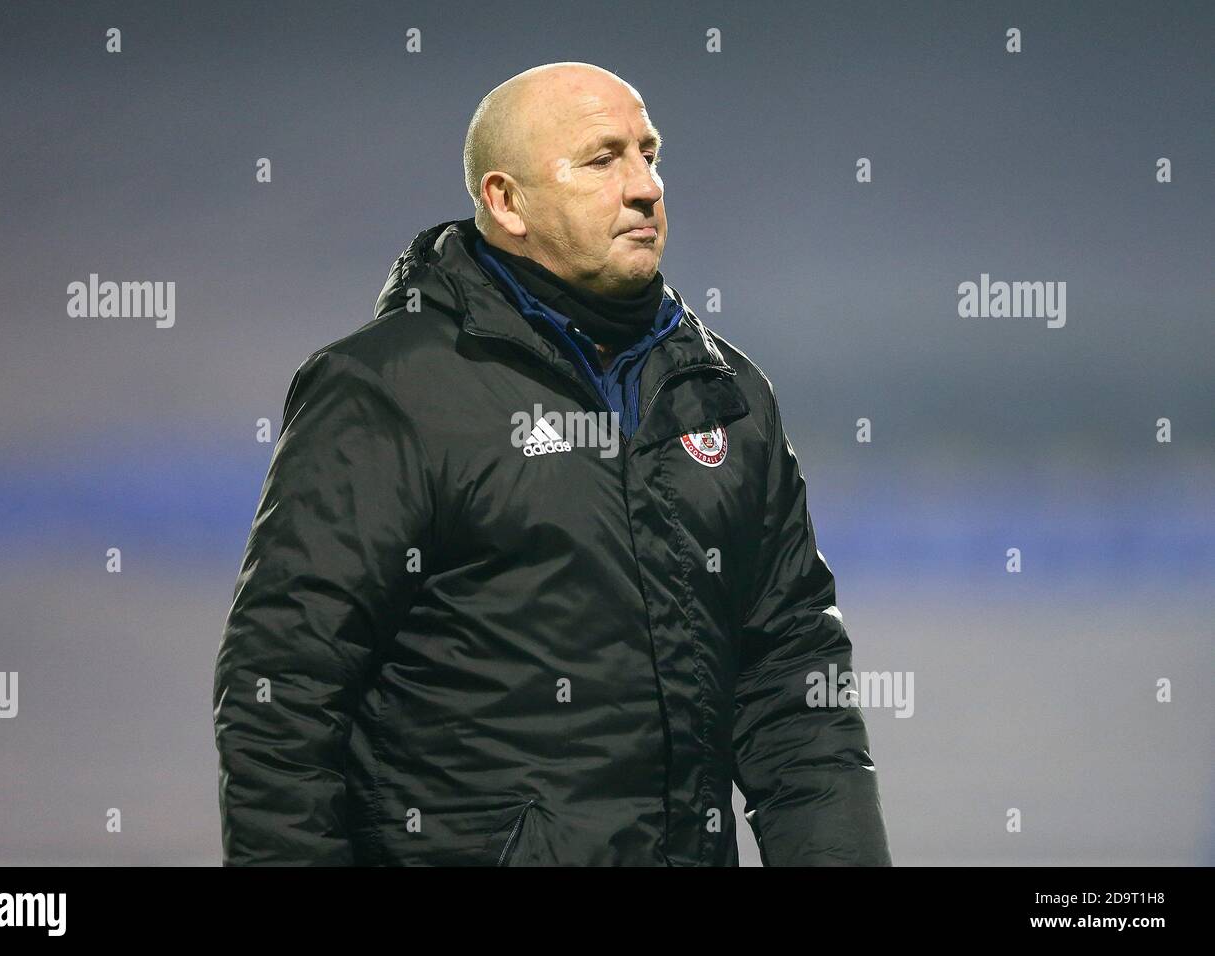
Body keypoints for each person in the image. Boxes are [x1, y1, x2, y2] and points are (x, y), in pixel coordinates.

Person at [212, 62, 891, 866]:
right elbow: (281, 695)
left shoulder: (725, 395)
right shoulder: (390, 392)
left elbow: (793, 678)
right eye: (603, 160)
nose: (645, 186)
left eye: (649, 152)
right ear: (506, 201)